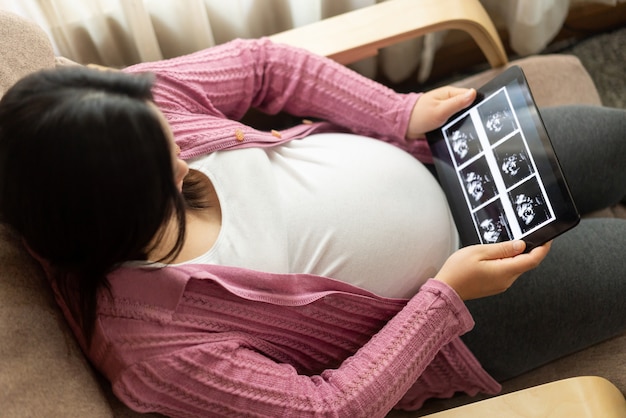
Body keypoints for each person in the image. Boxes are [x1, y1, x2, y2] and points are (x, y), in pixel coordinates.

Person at [0, 38, 625, 417]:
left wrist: (397, 111)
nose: (188, 157)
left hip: (437, 158)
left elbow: (264, 65)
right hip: (462, 320)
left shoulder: (118, 115)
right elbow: (328, 408)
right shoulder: (157, 351)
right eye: (171, 174)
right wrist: (446, 299)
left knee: (617, 139)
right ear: (120, 222)